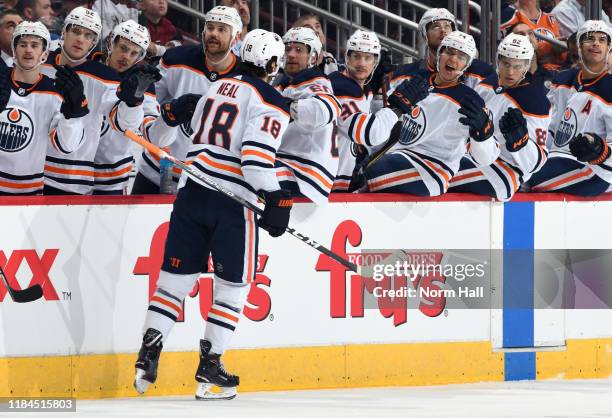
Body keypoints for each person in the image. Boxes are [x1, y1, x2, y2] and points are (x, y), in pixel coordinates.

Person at [133, 28, 290, 401]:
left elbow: (169, 140)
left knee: (172, 282)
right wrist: (276, 197)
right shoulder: (273, 100)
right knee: (232, 288)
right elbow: (254, 161)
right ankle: (210, 365)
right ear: (272, 64)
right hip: (232, 204)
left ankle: (147, 355)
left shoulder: (214, 88)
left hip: (190, 194)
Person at [352, 31, 499, 196]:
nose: (453, 60)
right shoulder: (417, 80)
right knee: (355, 168)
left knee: (369, 175)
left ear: (467, 64)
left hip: (432, 170)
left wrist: (482, 137)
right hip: (400, 155)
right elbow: (390, 127)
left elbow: (486, 159)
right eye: (449, 52)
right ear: (440, 53)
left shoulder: (470, 100)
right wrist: (395, 106)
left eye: (461, 57)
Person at [40, 6, 153, 195]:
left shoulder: (105, 77)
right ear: (64, 31)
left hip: (77, 179)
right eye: (76, 31)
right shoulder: (39, 63)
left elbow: (123, 123)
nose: (80, 39)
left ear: (94, 42)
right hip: (33, 173)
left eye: (88, 35)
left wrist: (133, 102)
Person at [132, 5, 242, 194]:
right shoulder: (176, 58)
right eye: (210, 27)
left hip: (204, 179)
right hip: (155, 169)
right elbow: (149, 100)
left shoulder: (244, 77)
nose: (213, 33)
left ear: (236, 37)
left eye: (221, 29)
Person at [448, 34, 550, 201]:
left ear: (526, 66)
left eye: (517, 67)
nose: (510, 72)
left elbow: (536, 164)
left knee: (440, 172)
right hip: (473, 158)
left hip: (504, 173)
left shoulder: (535, 101)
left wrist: (522, 144)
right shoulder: (486, 85)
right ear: (498, 61)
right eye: (506, 64)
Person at [526, 20, 612, 195]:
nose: (596, 43)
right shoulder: (563, 80)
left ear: (609, 48)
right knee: (520, 165)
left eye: (602, 40)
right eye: (589, 39)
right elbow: (549, 129)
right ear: (578, 47)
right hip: (557, 159)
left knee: (522, 178)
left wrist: (601, 152)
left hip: (595, 170)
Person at [0, 21, 86, 194]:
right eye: (23, 44)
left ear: (44, 53)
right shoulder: (1, 81)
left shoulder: (55, 93)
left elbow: (66, 146)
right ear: (14, 49)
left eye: (34, 45)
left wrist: (72, 113)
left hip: (28, 191)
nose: (28, 50)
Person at [93, 20, 173, 194]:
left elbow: (149, 124)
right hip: (77, 172)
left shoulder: (142, 83)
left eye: (134, 53)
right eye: (123, 48)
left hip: (112, 178)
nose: (126, 57)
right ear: (110, 42)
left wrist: (169, 120)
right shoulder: (90, 68)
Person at [330, 30, 409, 191]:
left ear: (375, 62)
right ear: (347, 57)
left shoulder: (364, 89)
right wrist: (397, 109)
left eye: (368, 58)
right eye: (356, 56)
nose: (362, 63)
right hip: (330, 179)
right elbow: (371, 135)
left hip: (339, 175)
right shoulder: (340, 86)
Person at [275, 26, 341, 204]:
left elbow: (328, 108)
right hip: (293, 167)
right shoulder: (287, 83)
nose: (291, 54)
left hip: (305, 174)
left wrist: (288, 108)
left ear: (313, 56)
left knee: (251, 171)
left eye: (299, 50)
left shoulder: (315, 80)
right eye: (288, 49)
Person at [390, 8, 494, 91]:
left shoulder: (480, 72)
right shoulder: (404, 75)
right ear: (424, 35)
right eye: (436, 26)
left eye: (447, 26)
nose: (443, 30)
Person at [500, 0, 564, 65]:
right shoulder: (508, 16)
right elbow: (514, 51)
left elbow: (561, 53)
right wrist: (549, 47)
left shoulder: (550, 18)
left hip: (559, 70)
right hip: (529, 71)